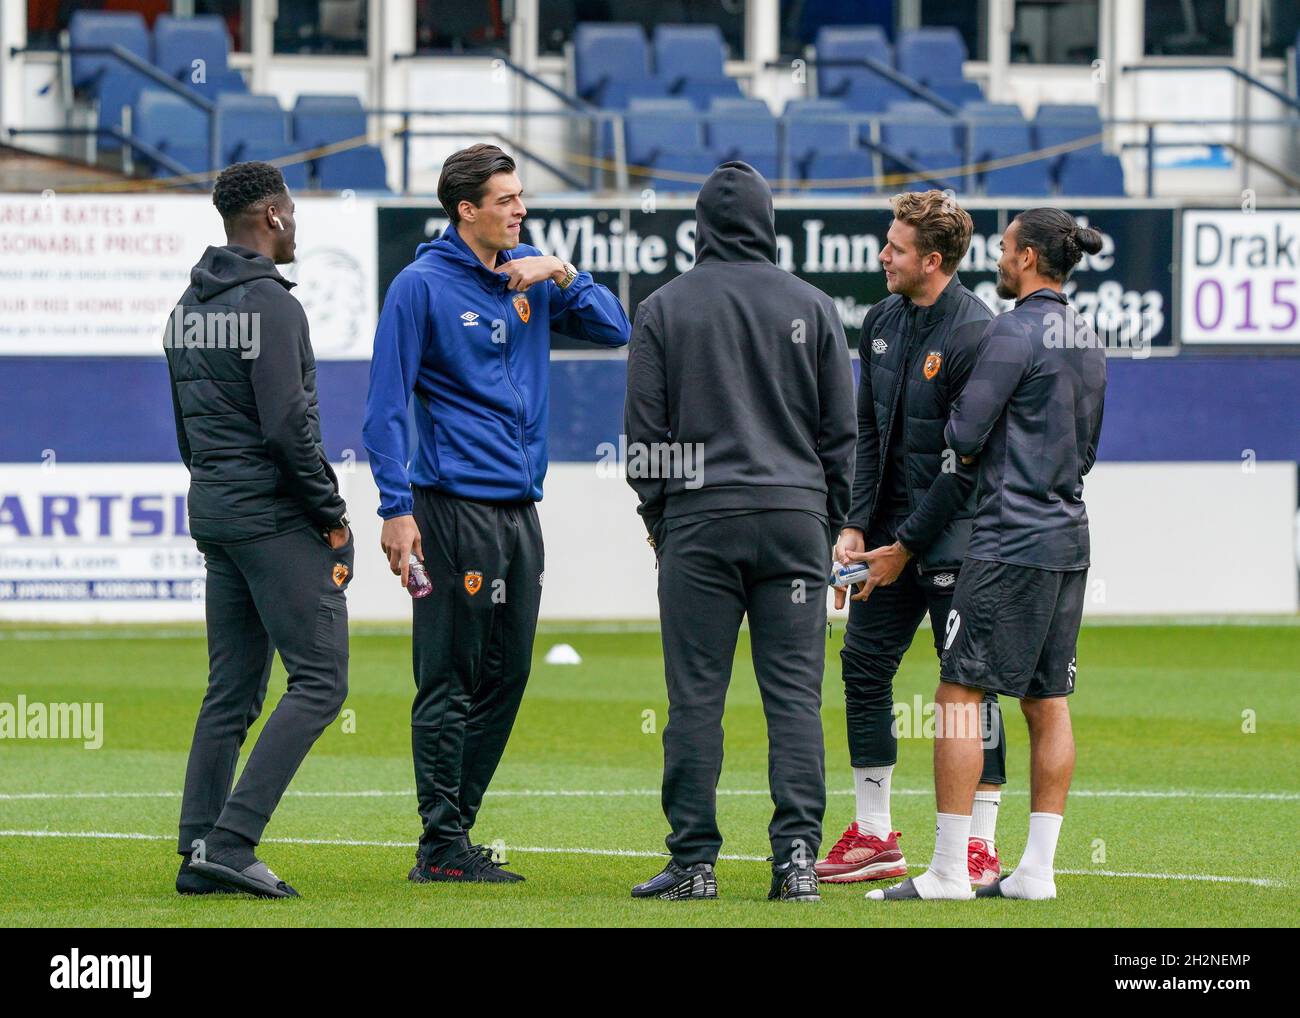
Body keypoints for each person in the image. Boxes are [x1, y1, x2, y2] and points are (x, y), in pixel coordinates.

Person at [363, 144, 630, 884]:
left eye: (522, 197)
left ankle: (452, 838)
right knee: (449, 676)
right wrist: (395, 508)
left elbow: (616, 329)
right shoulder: (418, 288)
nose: (520, 209)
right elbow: (384, 409)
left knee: (507, 674)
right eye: (507, 199)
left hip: (519, 512)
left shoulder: (534, 275)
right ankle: (441, 844)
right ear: (466, 210)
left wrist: (563, 271)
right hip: (451, 510)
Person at [625, 161, 856, 903]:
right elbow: (839, 436)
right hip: (794, 520)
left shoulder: (663, 308)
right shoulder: (813, 305)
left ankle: (694, 863)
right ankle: (796, 862)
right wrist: (826, 523)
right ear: (768, 221)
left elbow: (643, 441)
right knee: (794, 697)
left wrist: (663, 518)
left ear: (701, 226)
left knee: (696, 698)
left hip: (700, 520)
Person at [869, 208, 1106, 902]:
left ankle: (947, 868)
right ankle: (1036, 870)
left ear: (1029, 258)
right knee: (1048, 700)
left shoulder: (1010, 331)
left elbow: (964, 430)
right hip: (1068, 533)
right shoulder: (1088, 337)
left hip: (1008, 540)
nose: (998, 261)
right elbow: (1086, 448)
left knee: (958, 694)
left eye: (1005, 250)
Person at [815, 191, 1008, 889]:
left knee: (969, 687)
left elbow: (966, 464)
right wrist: (856, 523)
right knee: (863, 668)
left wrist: (907, 546)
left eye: (894, 248)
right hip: (885, 540)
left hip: (958, 540)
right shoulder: (880, 321)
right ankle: (873, 836)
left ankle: (980, 847)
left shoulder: (976, 333)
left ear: (932, 260)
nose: (881, 256)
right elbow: (868, 431)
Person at [169, 161, 353, 899]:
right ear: (272, 216)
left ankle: (198, 847)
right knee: (320, 681)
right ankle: (234, 840)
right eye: (293, 213)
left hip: (216, 513)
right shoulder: (274, 307)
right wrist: (332, 515)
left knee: (233, 690)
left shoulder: (187, 307)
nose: (296, 224)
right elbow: (288, 428)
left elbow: (188, 433)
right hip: (274, 518)